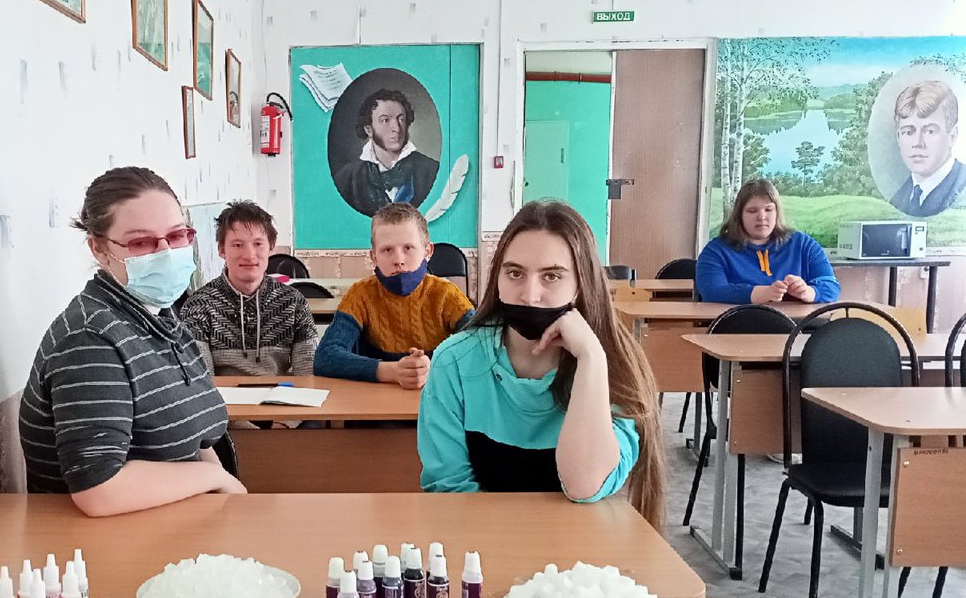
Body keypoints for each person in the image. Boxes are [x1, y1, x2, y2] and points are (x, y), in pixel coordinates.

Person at [417, 201, 665, 529]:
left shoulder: (614, 365)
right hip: (481, 544)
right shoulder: (455, 361)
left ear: (581, 284)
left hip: (582, 552)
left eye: (551, 276)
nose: (529, 295)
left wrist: (591, 359)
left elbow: (585, 486)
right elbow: (451, 488)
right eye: (515, 273)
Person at [18, 167, 246, 515]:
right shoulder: (90, 340)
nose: (166, 252)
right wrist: (213, 478)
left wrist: (225, 493)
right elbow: (99, 491)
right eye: (142, 243)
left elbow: (198, 440)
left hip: (179, 521)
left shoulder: (161, 317)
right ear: (98, 248)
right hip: (110, 539)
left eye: (177, 235)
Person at [314, 202, 473, 388]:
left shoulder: (447, 294)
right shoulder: (360, 295)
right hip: (374, 402)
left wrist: (434, 368)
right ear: (374, 256)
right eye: (387, 250)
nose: (398, 260)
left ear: (427, 251)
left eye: (408, 248)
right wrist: (392, 371)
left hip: (435, 398)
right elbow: (325, 357)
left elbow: (483, 349)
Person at [181, 200, 318, 376]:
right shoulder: (198, 305)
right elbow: (200, 379)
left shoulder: (293, 301)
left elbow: (307, 373)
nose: (249, 255)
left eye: (258, 244)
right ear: (222, 250)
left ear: (271, 247)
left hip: (280, 392)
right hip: (222, 394)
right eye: (238, 245)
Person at [696, 178, 839, 305]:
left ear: (777, 213)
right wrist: (765, 293)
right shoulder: (716, 250)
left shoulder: (803, 244)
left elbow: (831, 286)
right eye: (752, 211)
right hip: (737, 323)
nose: (761, 217)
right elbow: (712, 291)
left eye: (769, 209)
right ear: (739, 215)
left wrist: (808, 292)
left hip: (798, 325)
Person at [332, 89, 440, 216]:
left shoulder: (431, 170)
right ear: (369, 129)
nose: (396, 128)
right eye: (385, 120)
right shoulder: (348, 178)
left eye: (401, 119)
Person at [888, 80, 966, 217]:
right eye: (908, 132)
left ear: (952, 136)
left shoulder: (961, 186)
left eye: (930, 131)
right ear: (898, 137)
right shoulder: (897, 199)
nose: (918, 143)